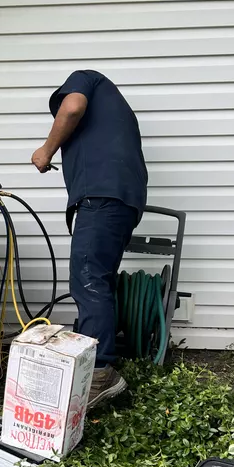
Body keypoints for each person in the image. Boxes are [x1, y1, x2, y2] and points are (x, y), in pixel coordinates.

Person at [31, 69, 148, 409]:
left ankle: (99, 373)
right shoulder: (117, 111)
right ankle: (93, 359)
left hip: (101, 197)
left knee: (88, 278)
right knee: (100, 279)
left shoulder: (86, 78)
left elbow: (72, 108)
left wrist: (46, 150)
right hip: (124, 199)